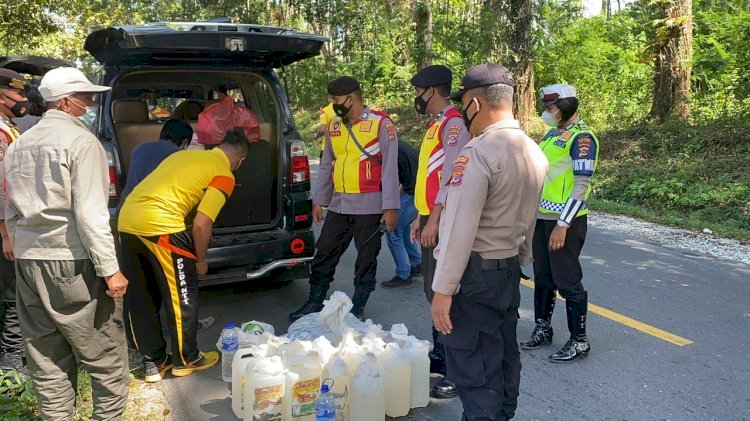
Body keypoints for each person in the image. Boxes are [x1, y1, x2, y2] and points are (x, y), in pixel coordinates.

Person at [4, 66, 130, 419]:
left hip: (29, 262)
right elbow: (91, 214)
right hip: (72, 261)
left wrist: (22, 244)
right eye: (86, 96)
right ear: (66, 102)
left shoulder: (19, 143)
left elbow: (10, 207)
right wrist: (111, 270)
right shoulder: (82, 142)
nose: (91, 102)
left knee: (46, 359)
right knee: (105, 358)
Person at [430, 63, 548, 421]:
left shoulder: (477, 153)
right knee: (501, 356)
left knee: (472, 365)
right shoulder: (533, 150)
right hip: (507, 269)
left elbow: (459, 228)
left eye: (463, 103)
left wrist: (443, 289)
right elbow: (529, 219)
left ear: (475, 105)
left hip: (474, 276)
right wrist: (520, 257)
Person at [118, 128, 249, 382]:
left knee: (141, 297)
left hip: (126, 221)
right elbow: (202, 223)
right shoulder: (224, 173)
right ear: (240, 161)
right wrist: (200, 260)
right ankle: (186, 359)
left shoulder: (183, 156)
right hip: (162, 227)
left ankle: (154, 363)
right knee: (182, 295)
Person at [289, 76, 399, 322]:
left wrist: (391, 207)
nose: (333, 104)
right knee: (324, 252)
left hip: (370, 204)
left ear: (351, 98)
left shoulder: (381, 124)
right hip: (340, 204)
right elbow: (327, 164)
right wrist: (320, 200)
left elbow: (390, 168)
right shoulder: (335, 126)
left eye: (336, 100)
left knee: (366, 259)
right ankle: (315, 301)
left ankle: (358, 307)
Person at [520, 83, 599, 363]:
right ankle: (543, 327)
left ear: (565, 107)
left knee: (567, 281)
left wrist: (563, 225)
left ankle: (579, 340)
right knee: (543, 277)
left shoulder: (583, 138)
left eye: (551, 108)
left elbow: (581, 185)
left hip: (565, 222)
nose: (547, 112)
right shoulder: (552, 135)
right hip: (541, 219)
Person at [407, 64, 472, 400]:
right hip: (430, 216)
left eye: (418, 90)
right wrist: (421, 216)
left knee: (446, 293)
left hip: (444, 222)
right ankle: (441, 352)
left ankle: (457, 368)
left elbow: (450, 177)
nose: (416, 97)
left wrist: (434, 219)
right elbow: (428, 179)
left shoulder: (454, 125)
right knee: (433, 293)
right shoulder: (437, 125)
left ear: (431, 90)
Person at [0, 68, 30, 374]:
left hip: (10, 223)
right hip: (4, 228)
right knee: (12, 295)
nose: (23, 100)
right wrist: (6, 233)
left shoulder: (8, 127)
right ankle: (11, 365)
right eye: (18, 95)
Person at [380, 140, 421, 288]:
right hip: (417, 192)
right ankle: (416, 264)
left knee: (393, 232)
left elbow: (392, 180)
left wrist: (390, 206)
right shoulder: (400, 144)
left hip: (411, 194)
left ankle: (403, 274)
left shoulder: (388, 149)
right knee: (403, 230)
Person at [120, 119, 193, 199]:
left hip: (126, 203)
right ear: (185, 142)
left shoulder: (139, 148)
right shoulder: (178, 156)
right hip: (154, 207)